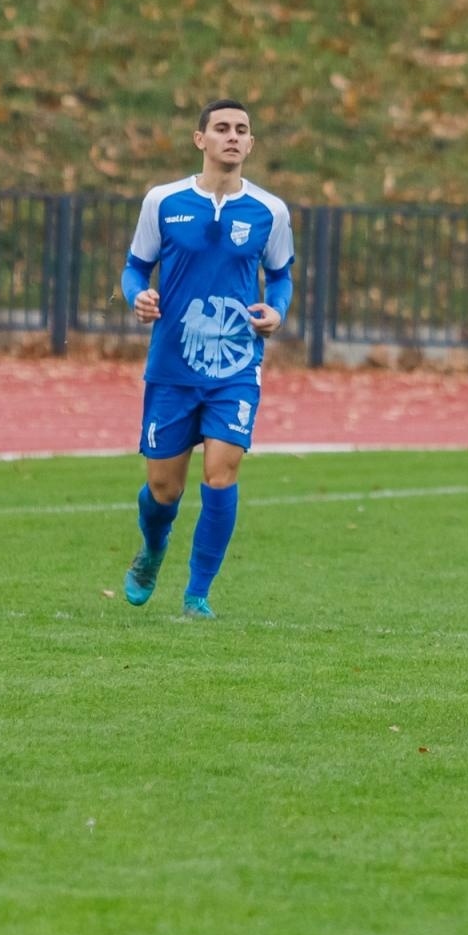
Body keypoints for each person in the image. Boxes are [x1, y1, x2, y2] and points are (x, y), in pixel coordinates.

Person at [119, 99, 295, 619]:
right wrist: (138, 297)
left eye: (242, 129)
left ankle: (198, 594)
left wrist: (277, 312)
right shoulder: (163, 201)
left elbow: (281, 275)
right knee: (162, 489)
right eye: (221, 128)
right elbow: (135, 268)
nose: (232, 137)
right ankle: (152, 549)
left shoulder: (270, 211)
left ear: (251, 144)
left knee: (222, 471)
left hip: (236, 364)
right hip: (173, 365)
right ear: (200, 139)